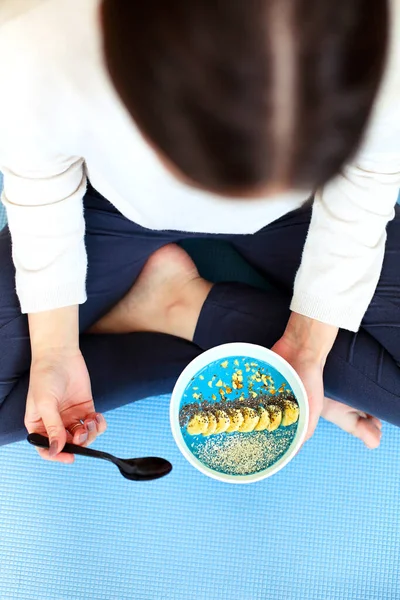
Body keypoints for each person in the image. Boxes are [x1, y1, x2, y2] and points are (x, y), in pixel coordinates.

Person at [0, 0, 399, 466]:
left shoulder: (384, 46)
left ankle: (179, 308)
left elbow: (367, 182)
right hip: (110, 210)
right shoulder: (40, 41)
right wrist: (54, 349)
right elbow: (42, 185)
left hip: (307, 214)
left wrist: (309, 347)